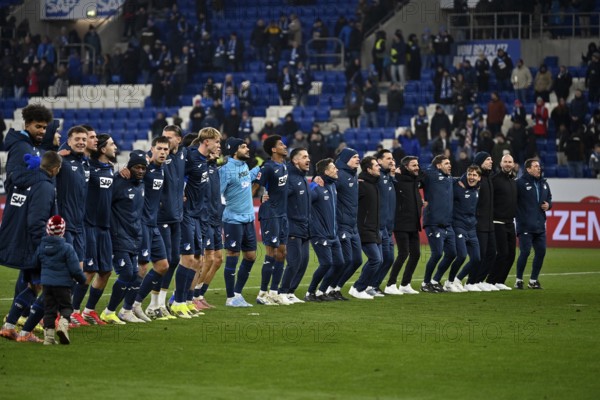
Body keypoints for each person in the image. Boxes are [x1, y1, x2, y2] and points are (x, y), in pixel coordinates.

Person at [0, 151, 62, 342]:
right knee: (54, 286)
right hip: (34, 245)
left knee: (35, 286)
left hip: (20, 243)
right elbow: (37, 221)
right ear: (55, 169)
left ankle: (9, 327)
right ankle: (26, 333)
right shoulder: (44, 186)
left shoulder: (19, 181)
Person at [118, 136, 171, 323]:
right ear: (152, 149)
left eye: (166, 149)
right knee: (141, 268)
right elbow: (131, 167)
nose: (163, 152)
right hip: (141, 225)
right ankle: (125, 309)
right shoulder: (145, 168)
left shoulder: (162, 168)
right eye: (160, 149)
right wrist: (123, 169)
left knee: (163, 265)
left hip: (153, 224)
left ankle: (136, 304)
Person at [171, 127, 221, 317]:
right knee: (189, 259)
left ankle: (187, 300)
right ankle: (177, 301)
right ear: (206, 141)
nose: (218, 146)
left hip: (200, 216)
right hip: (187, 215)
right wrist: (179, 192)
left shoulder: (204, 160)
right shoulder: (189, 156)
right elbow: (175, 173)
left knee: (198, 260)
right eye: (216, 142)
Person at [72, 135, 118, 325]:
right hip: (88, 225)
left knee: (106, 271)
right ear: (101, 149)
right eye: (111, 144)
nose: (115, 147)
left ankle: (89, 311)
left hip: (105, 227)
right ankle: (72, 311)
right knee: (89, 271)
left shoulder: (110, 168)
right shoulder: (88, 168)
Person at [100, 151, 147, 324]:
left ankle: (124, 311)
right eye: (137, 167)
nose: (141, 170)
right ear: (129, 167)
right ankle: (108, 311)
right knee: (127, 273)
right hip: (118, 236)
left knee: (135, 274)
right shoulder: (118, 182)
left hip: (134, 236)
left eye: (143, 168)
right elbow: (103, 204)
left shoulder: (141, 184)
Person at [220, 137, 260, 307]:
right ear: (235, 150)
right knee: (233, 255)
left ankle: (237, 293)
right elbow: (217, 194)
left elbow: (246, 180)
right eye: (244, 147)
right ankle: (230, 297)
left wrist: (260, 169)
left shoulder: (243, 165)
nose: (247, 149)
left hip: (249, 218)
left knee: (251, 256)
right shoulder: (225, 170)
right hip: (233, 220)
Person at [152, 125, 186, 318]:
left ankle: (161, 302)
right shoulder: (159, 159)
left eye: (169, 138)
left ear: (179, 140)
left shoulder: (183, 155)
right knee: (162, 262)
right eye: (163, 138)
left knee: (173, 260)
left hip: (177, 216)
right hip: (161, 217)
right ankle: (152, 303)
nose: (165, 141)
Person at [37, 215, 86, 345]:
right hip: (63, 285)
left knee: (49, 310)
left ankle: (48, 338)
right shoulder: (67, 248)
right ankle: (63, 326)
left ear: (48, 229)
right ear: (63, 231)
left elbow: (35, 263)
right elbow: (75, 269)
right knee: (66, 307)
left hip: (47, 284)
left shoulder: (41, 246)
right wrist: (82, 280)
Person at [256, 135, 290, 305]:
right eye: (281, 144)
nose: (285, 146)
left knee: (282, 252)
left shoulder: (283, 165)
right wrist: (260, 196)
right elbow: (255, 186)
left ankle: (274, 291)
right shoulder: (268, 167)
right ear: (273, 150)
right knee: (272, 253)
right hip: (271, 213)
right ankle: (262, 293)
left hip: (283, 214)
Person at [305, 158, 345, 301]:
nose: (337, 170)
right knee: (326, 263)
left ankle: (321, 291)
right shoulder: (316, 187)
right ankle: (310, 292)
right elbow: (304, 200)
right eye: (334, 168)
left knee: (340, 263)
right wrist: (312, 185)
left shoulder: (332, 186)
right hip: (320, 234)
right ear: (326, 171)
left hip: (333, 234)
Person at [437, 166, 481, 292]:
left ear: (479, 178)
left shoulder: (477, 189)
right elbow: (447, 181)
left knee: (476, 258)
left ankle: (457, 279)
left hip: (471, 228)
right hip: (459, 226)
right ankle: (449, 282)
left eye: (474, 175)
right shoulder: (457, 185)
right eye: (470, 174)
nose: (472, 177)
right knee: (461, 255)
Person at [386, 156, 422, 294]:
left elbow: (423, 174)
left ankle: (405, 284)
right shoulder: (398, 179)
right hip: (401, 223)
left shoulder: (415, 179)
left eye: (417, 164)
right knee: (403, 254)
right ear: (405, 167)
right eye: (414, 165)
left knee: (416, 254)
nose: (417, 167)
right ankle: (390, 284)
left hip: (414, 223)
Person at [279, 148, 311, 303]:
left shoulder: (303, 178)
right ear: (295, 160)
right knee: (294, 261)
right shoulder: (290, 177)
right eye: (304, 157)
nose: (308, 159)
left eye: (308, 156)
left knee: (303, 261)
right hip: (292, 225)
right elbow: (279, 197)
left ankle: (291, 291)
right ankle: (282, 292)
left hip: (305, 226)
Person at [329, 148, 362, 298]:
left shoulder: (353, 175)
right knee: (346, 260)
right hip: (342, 225)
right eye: (354, 157)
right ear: (345, 159)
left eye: (358, 156)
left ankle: (336, 287)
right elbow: (327, 189)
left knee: (357, 261)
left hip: (353, 226)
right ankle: (328, 288)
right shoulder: (339, 175)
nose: (358, 159)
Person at [515, 159, 552, 289]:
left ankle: (533, 281)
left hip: (540, 226)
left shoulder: (544, 183)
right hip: (525, 225)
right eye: (535, 166)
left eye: (539, 166)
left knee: (541, 252)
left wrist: (549, 205)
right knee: (524, 252)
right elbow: (513, 201)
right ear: (528, 169)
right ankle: (518, 280)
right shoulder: (519, 183)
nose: (539, 168)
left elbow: (549, 199)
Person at [420, 154, 456, 292]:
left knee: (452, 253)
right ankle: (425, 283)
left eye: (449, 163)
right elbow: (417, 176)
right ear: (438, 165)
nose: (450, 165)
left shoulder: (449, 178)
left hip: (447, 223)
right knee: (437, 253)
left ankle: (435, 281)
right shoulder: (431, 174)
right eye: (446, 163)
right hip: (434, 223)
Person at [349, 156, 382, 299]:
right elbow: (349, 202)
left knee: (378, 260)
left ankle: (362, 286)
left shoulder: (373, 184)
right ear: (369, 169)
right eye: (376, 165)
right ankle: (357, 287)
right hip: (364, 228)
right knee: (376, 260)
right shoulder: (361, 184)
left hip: (374, 228)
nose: (379, 167)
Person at [486, 155, 517, 290]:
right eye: (505, 162)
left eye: (510, 162)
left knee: (511, 255)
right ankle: (490, 281)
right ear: (500, 163)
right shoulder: (494, 180)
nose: (508, 164)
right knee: (502, 253)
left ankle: (500, 281)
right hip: (497, 222)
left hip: (510, 223)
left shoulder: (513, 180)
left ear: (514, 164)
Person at [370, 150, 396, 294]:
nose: (392, 161)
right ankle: (367, 285)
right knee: (379, 259)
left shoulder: (389, 177)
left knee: (389, 259)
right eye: (388, 159)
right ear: (379, 161)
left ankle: (374, 285)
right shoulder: (377, 177)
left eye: (392, 159)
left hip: (388, 226)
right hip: (379, 226)